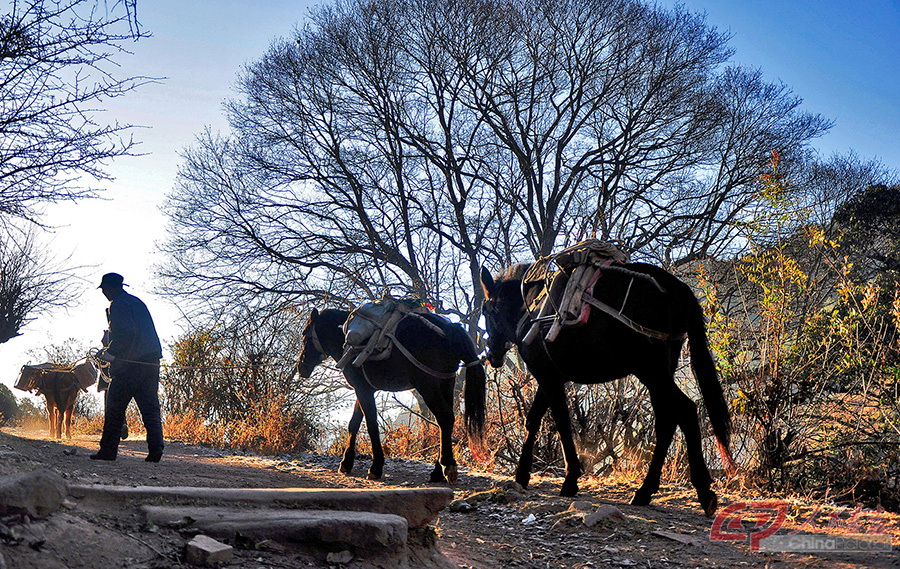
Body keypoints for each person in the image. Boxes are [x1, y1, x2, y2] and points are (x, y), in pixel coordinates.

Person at [90, 273, 165, 462]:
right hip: (151, 363)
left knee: (114, 407)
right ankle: (156, 449)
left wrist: (110, 352)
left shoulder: (117, 304)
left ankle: (108, 451)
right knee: (150, 407)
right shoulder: (136, 302)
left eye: (104, 289)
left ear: (110, 288)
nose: (104, 293)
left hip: (130, 366)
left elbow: (126, 333)